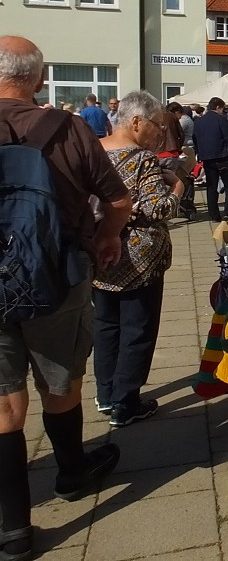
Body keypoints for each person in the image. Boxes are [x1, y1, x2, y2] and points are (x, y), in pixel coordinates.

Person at [0, 36, 132, 560]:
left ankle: (13, 530)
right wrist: (107, 236)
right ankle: (72, 472)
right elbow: (118, 199)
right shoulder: (69, 128)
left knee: (5, 403)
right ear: (39, 77)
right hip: (56, 275)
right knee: (62, 381)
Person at [94, 92, 184, 427]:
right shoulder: (142, 160)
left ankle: (105, 394)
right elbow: (157, 208)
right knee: (137, 329)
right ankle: (125, 401)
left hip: (99, 255)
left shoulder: (93, 151)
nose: (160, 133)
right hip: (137, 259)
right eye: (157, 126)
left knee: (105, 327)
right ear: (136, 122)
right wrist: (178, 188)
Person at [192, 96, 228, 222]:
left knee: (211, 186)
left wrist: (200, 153)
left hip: (207, 158)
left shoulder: (198, 121)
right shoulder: (220, 119)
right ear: (218, 107)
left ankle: (214, 215)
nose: (222, 111)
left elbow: (195, 139)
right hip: (223, 156)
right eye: (222, 109)